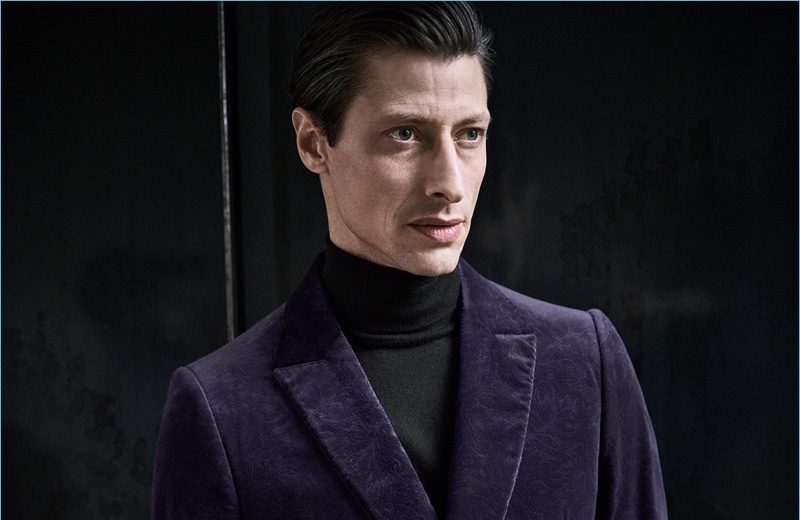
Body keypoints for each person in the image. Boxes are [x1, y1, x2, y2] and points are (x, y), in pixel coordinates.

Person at [152, 3, 667, 519]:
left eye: (469, 134)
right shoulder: (222, 407)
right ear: (313, 143)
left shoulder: (583, 362)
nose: (449, 184)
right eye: (405, 134)